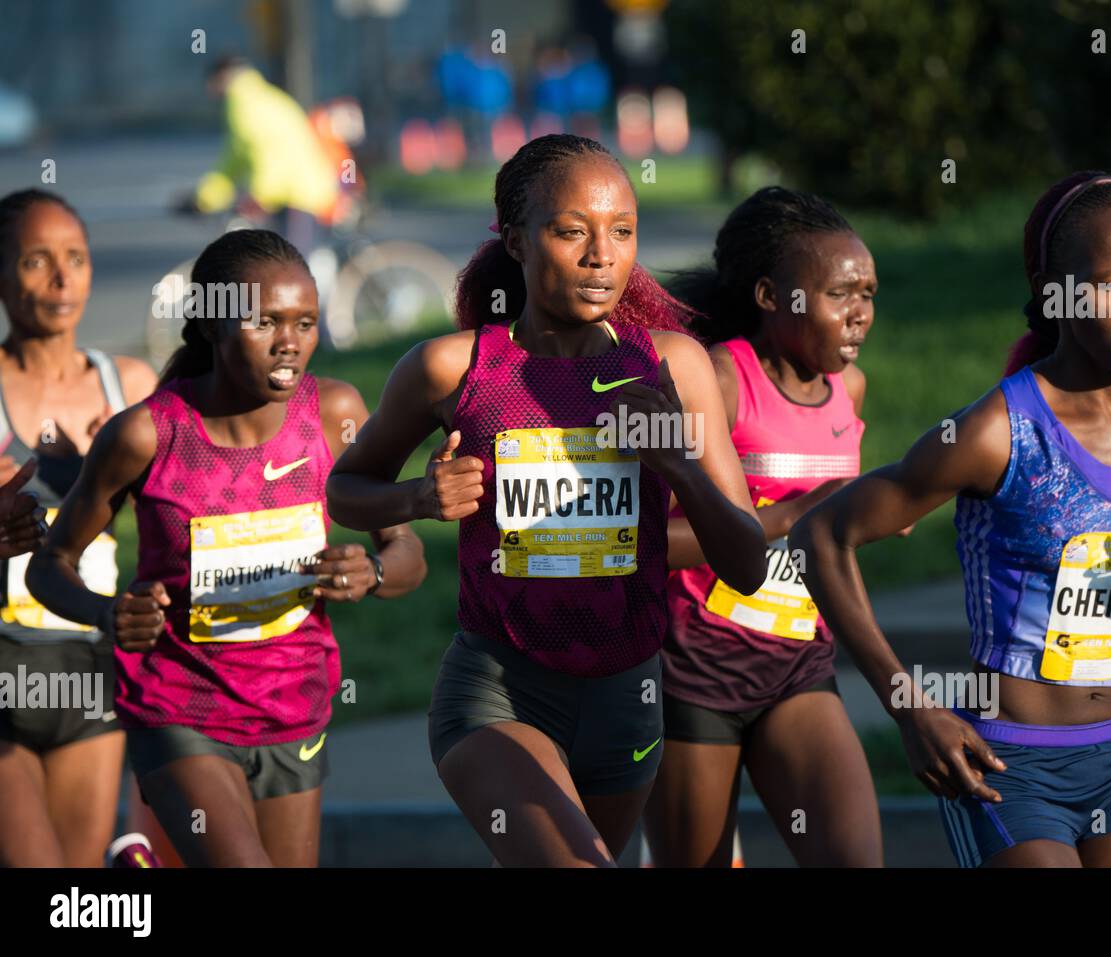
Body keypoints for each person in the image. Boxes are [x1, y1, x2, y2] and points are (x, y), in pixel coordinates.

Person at [792, 171, 1111, 867]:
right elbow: (820, 534)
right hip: (1009, 767)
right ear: (1057, 296)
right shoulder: (997, 432)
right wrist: (910, 707)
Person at [327, 133, 766, 867]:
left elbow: (748, 564)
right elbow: (347, 487)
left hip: (629, 696)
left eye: (622, 232)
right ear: (516, 239)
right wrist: (418, 497)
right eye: (572, 232)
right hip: (498, 692)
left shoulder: (674, 367)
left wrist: (680, 469)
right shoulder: (451, 367)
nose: (602, 255)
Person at [27, 229, 426, 867]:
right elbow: (52, 566)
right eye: (264, 321)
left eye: (305, 322)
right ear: (212, 326)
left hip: (295, 706)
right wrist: (109, 613)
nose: (289, 341)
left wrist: (373, 571)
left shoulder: (334, 412)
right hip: (177, 706)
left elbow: (408, 555)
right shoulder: (145, 435)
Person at [642, 187, 882, 867]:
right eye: (840, 294)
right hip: (693, 674)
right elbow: (642, 542)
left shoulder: (849, 389)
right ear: (773, 297)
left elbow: (832, 541)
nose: (860, 313)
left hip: (798, 666)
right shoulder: (717, 378)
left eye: (868, 292)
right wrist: (787, 516)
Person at [0, 188, 156, 867]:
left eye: (77, 259)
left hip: (91, 663)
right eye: (37, 260)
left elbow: (187, 515)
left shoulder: (128, 386)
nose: (63, 281)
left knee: (79, 895)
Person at [183, 57, 342, 255]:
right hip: (287, 192)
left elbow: (267, 155)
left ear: (222, 77)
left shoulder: (246, 105)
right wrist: (206, 197)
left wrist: (259, 196)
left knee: (289, 269)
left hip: (298, 194)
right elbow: (235, 159)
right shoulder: (256, 98)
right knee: (276, 265)